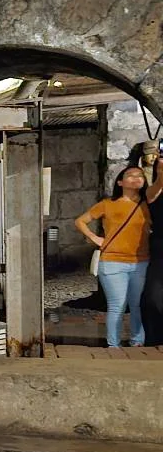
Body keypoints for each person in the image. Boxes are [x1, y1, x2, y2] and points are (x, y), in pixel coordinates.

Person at [76, 141, 163, 347]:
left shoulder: (146, 201)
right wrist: (94, 238)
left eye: (140, 176)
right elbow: (80, 221)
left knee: (137, 304)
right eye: (131, 176)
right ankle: (113, 345)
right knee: (117, 305)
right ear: (120, 182)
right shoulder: (107, 204)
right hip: (113, 261)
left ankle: (137, 342)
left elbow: (159, 184)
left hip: (140, 261)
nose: (136, 178)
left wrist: (159, 170)